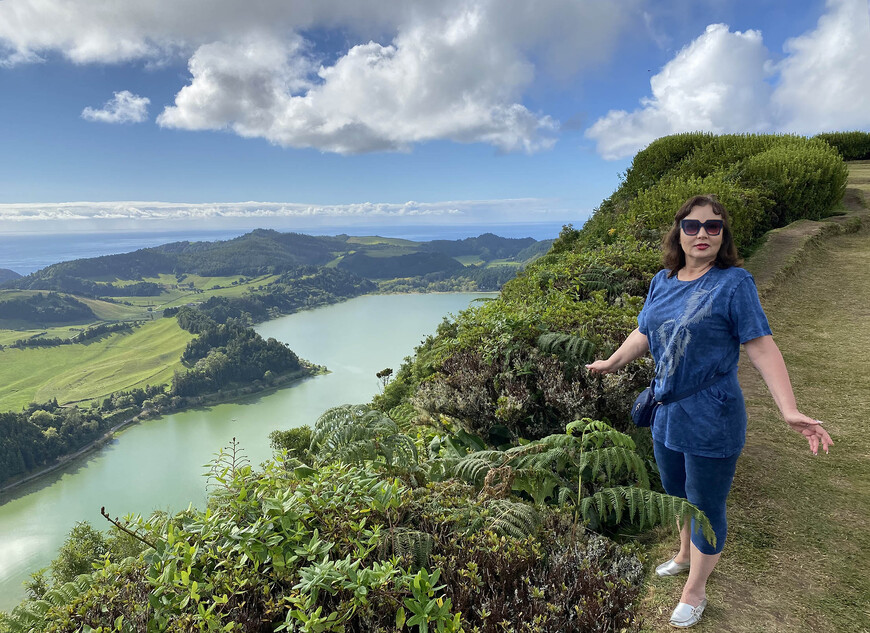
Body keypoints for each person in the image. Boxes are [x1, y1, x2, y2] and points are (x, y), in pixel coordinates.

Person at [585, 194, 833, 628]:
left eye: (713, 227)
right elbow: (644, 330)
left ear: (723, 235)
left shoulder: (734, 284)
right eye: (693, 225)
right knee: (677, 492)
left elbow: (761, 346)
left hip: (713, 416)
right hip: (666, 412)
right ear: (678, 232)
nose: (702, 234)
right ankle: (684, 554)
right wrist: (612, 361)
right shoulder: (663, 280)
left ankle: (695, 589)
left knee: (706, 503)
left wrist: (789, 409)